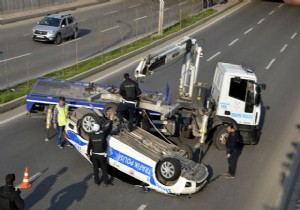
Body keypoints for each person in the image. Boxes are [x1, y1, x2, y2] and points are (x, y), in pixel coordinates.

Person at [87, 113, 114, 186]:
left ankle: (97, 181)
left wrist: (88, 154)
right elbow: (109, 129)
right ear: (99, 128)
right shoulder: (103, 135)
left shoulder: (91, 136)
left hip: (94, 155)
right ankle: (106, 182)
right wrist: (111, 120)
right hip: (102, 155)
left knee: (95, 169)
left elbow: (89, 145)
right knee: (104, 169)